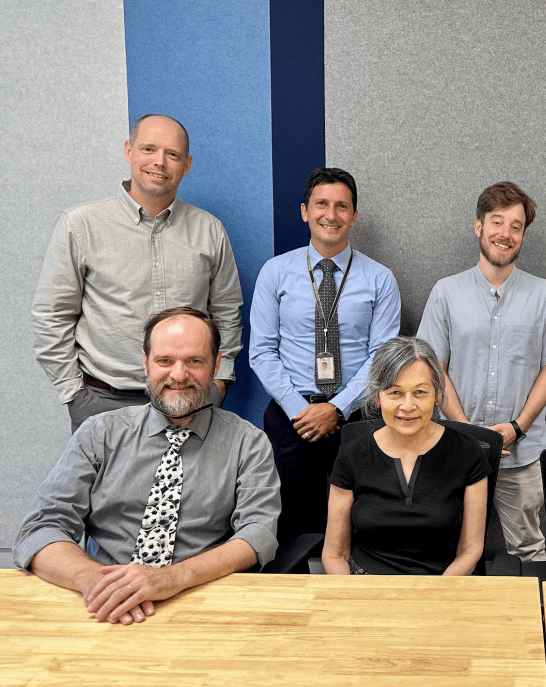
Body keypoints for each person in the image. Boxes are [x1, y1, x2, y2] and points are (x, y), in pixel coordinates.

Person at [13, 307, 281, 625]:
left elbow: (258, 533)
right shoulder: (99, 433)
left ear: (215, 364)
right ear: (145, 362)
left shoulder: (249, 442)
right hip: (103, 605)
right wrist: (98, 583)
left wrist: (172, 578)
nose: (178, 375)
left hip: (200, 601)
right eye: (164, 361)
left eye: (194, 361)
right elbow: (42, 528)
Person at [32, 114, 243, 432]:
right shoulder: (80, 224)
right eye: (149, 149)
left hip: (189, 400)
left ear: (186, 165)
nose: (160, 162)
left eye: (172, 154)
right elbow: (52, 316)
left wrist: (218, 383)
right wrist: (74, 395)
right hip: (104, 403)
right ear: (129, 151)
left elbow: (226, 312)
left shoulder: (209, 230)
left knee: (196, 470)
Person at [417, 181, 546, 563]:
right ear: (479, 226)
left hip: (521, 452)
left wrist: (518, 427)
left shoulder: (544, 294)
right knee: (445, 546)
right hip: (454, 447)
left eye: (516, 226)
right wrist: (467, 431)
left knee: (529, 549)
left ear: (523, 236)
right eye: (497, 222)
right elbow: (434, 368)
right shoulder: (445, 292)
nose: (505, 233)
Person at [250, 167, 401, 546]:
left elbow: (382, 356)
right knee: (290, 522)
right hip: (291, 417)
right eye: (321, 204)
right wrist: (300, 410)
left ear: (354, 215)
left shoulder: (380, 278)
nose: (331, 215)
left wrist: (336, 409)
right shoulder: (275, 273)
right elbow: (262, 352)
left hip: (356, 417)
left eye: (341, 206)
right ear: (305, 211)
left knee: (359, 519)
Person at [322, 337, 490, 575]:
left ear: (437, 395)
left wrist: (436, 592)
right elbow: (335, 553)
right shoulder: (351, 455)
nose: (408, 406)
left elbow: (470, 550)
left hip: (443, 582)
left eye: (420, 392)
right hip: (366, 583)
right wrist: (352, 594)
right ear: (377, 397)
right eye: (395, 392)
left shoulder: (468, 452)